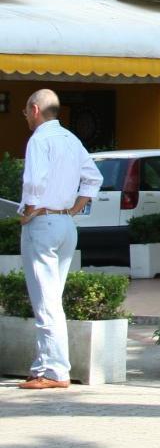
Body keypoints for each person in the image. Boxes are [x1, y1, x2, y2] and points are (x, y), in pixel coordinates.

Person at [16, 89, 101, 390]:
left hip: (44, 223)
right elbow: (93, 178)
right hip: (65, 223)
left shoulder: (39, 139)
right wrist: (74, 208)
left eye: (26, 111)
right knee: (51, 297)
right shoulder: (70, 138)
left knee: (46, 301)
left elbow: (34, 181)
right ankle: (42, 365)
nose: (25, 116)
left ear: (35, 109)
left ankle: (54, 371)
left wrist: (29, 209)